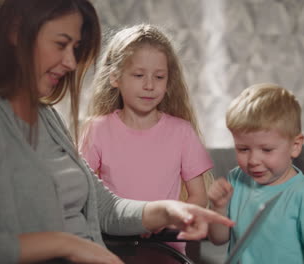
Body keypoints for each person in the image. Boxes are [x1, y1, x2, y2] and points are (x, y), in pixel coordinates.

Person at [0, 1, 234, 263]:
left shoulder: (48, 118)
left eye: (75, 48)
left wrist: (164, 211)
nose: (72, 62)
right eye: (61, 44)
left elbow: (105, 208)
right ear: (15, 30)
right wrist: (65, 244)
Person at [80, 24, 213, 255]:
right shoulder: (96, 130)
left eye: (159, 77)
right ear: (115, 78)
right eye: (139, 75)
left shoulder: (182, 132)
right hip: (112, 250)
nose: (149, 85)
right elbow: (83, 193)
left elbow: (199, 196)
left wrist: (168, 221)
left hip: (167, 250)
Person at [207, 83, 304, 264]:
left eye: (267, 150)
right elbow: (218, 238)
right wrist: (219, 208)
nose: (253, 160)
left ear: (295, 146)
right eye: (243, 149)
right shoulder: (236, 180)